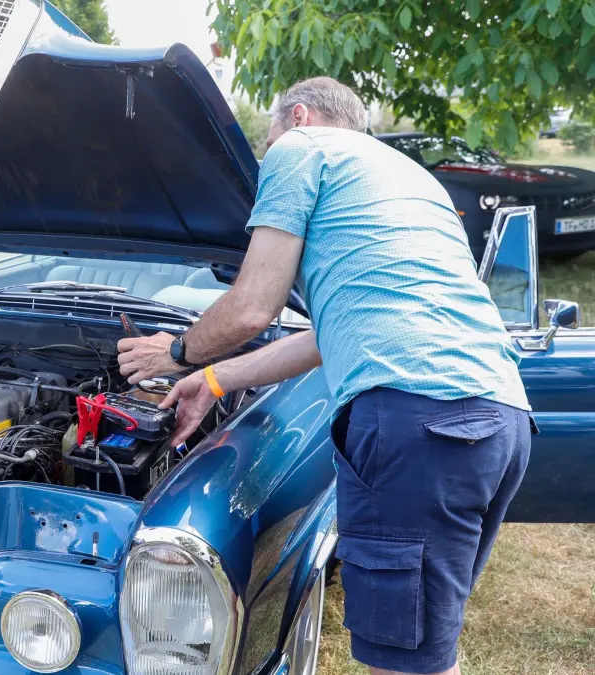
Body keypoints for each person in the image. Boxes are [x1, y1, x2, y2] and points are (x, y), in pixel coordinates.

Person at [117, 77, 530, 675]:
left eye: (268, 140)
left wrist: (174, 352)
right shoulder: (410, 179)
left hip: (418, 421)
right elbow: (324, 334)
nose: (269, 155)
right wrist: (212, 381)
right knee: (424, 650)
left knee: (408, 664)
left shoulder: (301, 149)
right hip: (499, 420)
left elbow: (255, 305)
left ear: (299, 117)